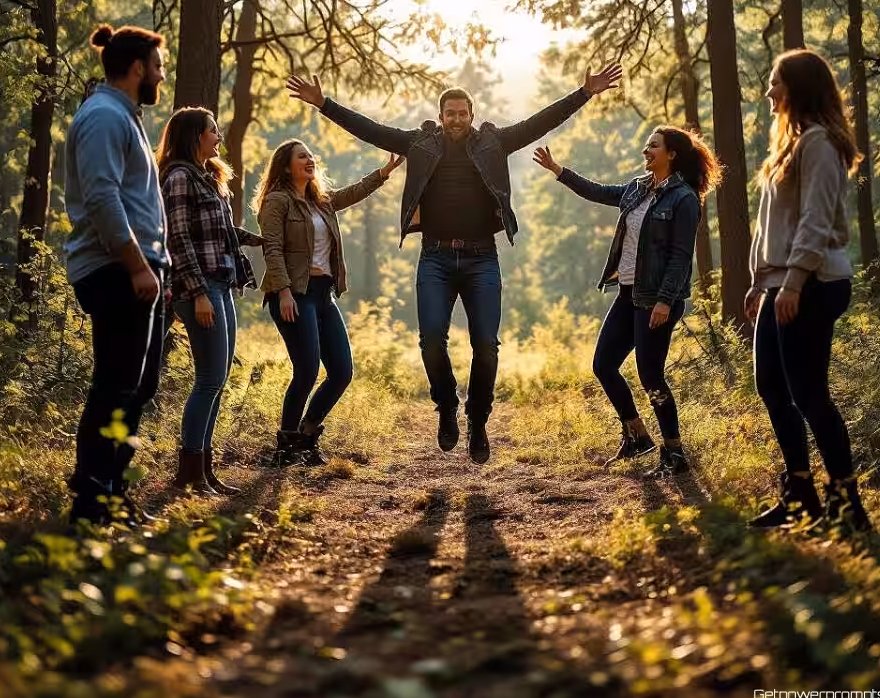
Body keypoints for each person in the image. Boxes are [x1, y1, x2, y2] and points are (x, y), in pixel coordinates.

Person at [287, 64, 622, 464]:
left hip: (482, 258)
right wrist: (324, 104)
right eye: (451, 114)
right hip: (436, 257)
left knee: (486, 344)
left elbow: (540, 122)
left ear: (472, 115)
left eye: (463, 113)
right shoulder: (419, 144)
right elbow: (370, 130)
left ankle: (477, 420)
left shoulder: (494, 142)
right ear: (441, 115)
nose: (457, 119)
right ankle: (446, 405)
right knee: (431, 338)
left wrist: (583, 93)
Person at [533, 127, 720, 477]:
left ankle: (674, 453)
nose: (645, 150)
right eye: (646, 145)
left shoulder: (684, 198)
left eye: (653, 146)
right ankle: (637, 435)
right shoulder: (638, 188)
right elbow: (599, 192)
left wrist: (665, 301)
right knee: (603, 365)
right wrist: (559, 170)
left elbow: (681, 257)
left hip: (656, 300)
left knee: (651, 376)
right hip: (627, 294)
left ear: (671, 154)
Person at [745, 49, 871, 532]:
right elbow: (771, 225)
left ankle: (847, 504)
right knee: (773, 387)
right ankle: (800, 495)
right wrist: (760, 282)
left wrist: (794, 281)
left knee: (809, 394)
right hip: (780, 283)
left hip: (813, 283)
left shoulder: (818, 142)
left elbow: (815, 221)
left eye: (776, 82)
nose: (769, 91)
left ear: (798, 88)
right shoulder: (790, 144)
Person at [64, 23, 170, 525]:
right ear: (136, 68)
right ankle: (92, 500)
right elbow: (102, 198)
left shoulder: (123, 115)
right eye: (158, 67)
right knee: (115, 385)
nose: (162, 76)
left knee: (137, 386)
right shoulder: (104, 116)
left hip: (138, 267)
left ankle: (111, 492)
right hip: (117, 269)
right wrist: (137, 265)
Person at [254, 139, 404, 466]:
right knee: (307, 371)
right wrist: (283, 292)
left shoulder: (320, 201)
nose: (309, 160)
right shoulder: (277, 201)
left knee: (341, 372)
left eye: (311, 155)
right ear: (285, 167)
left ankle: (307, 435)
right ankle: (285, 448)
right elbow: (272, 250)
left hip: (324, 294)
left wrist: (383, 173)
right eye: (301, 156)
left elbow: (352, 193)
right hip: (295, 294)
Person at [158, 107, 264, 495]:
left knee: (217, 381)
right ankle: (188, 473)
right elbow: (179, 238)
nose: (218, 137)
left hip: (222, 283)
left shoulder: (209, 177)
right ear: (195, 136)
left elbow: (219, 230)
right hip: (199, 289)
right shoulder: (179, 177)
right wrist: (199, 293)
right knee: (208, 380)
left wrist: (257, 240)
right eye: (213, 131)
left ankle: (205, 470)